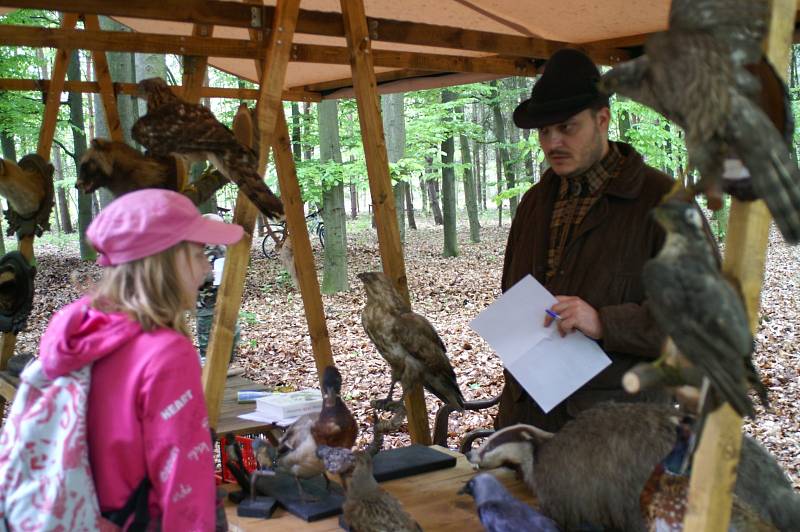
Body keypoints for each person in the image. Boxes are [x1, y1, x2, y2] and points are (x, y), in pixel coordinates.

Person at [37, 189, 243, 529]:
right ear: (168, 261)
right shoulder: (165, 353)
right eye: (198, 254)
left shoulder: (80, 328)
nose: (208, 267)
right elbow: (184, 480)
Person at [496, 48, 673, 432]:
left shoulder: (661, 202)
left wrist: (604, 322)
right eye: (545, 130)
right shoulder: (533, 204)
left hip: (616, 434)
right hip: (529, 420)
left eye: (567, 127)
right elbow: (513, 294)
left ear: (603, 120)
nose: (552, 142)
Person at [196, 212, 241, 366]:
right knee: (207, 340)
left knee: (233, 333)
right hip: (206, 305)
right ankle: (206, 367)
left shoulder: (223, 246)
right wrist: (209, 275)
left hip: (225, 300)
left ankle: (226, 365)